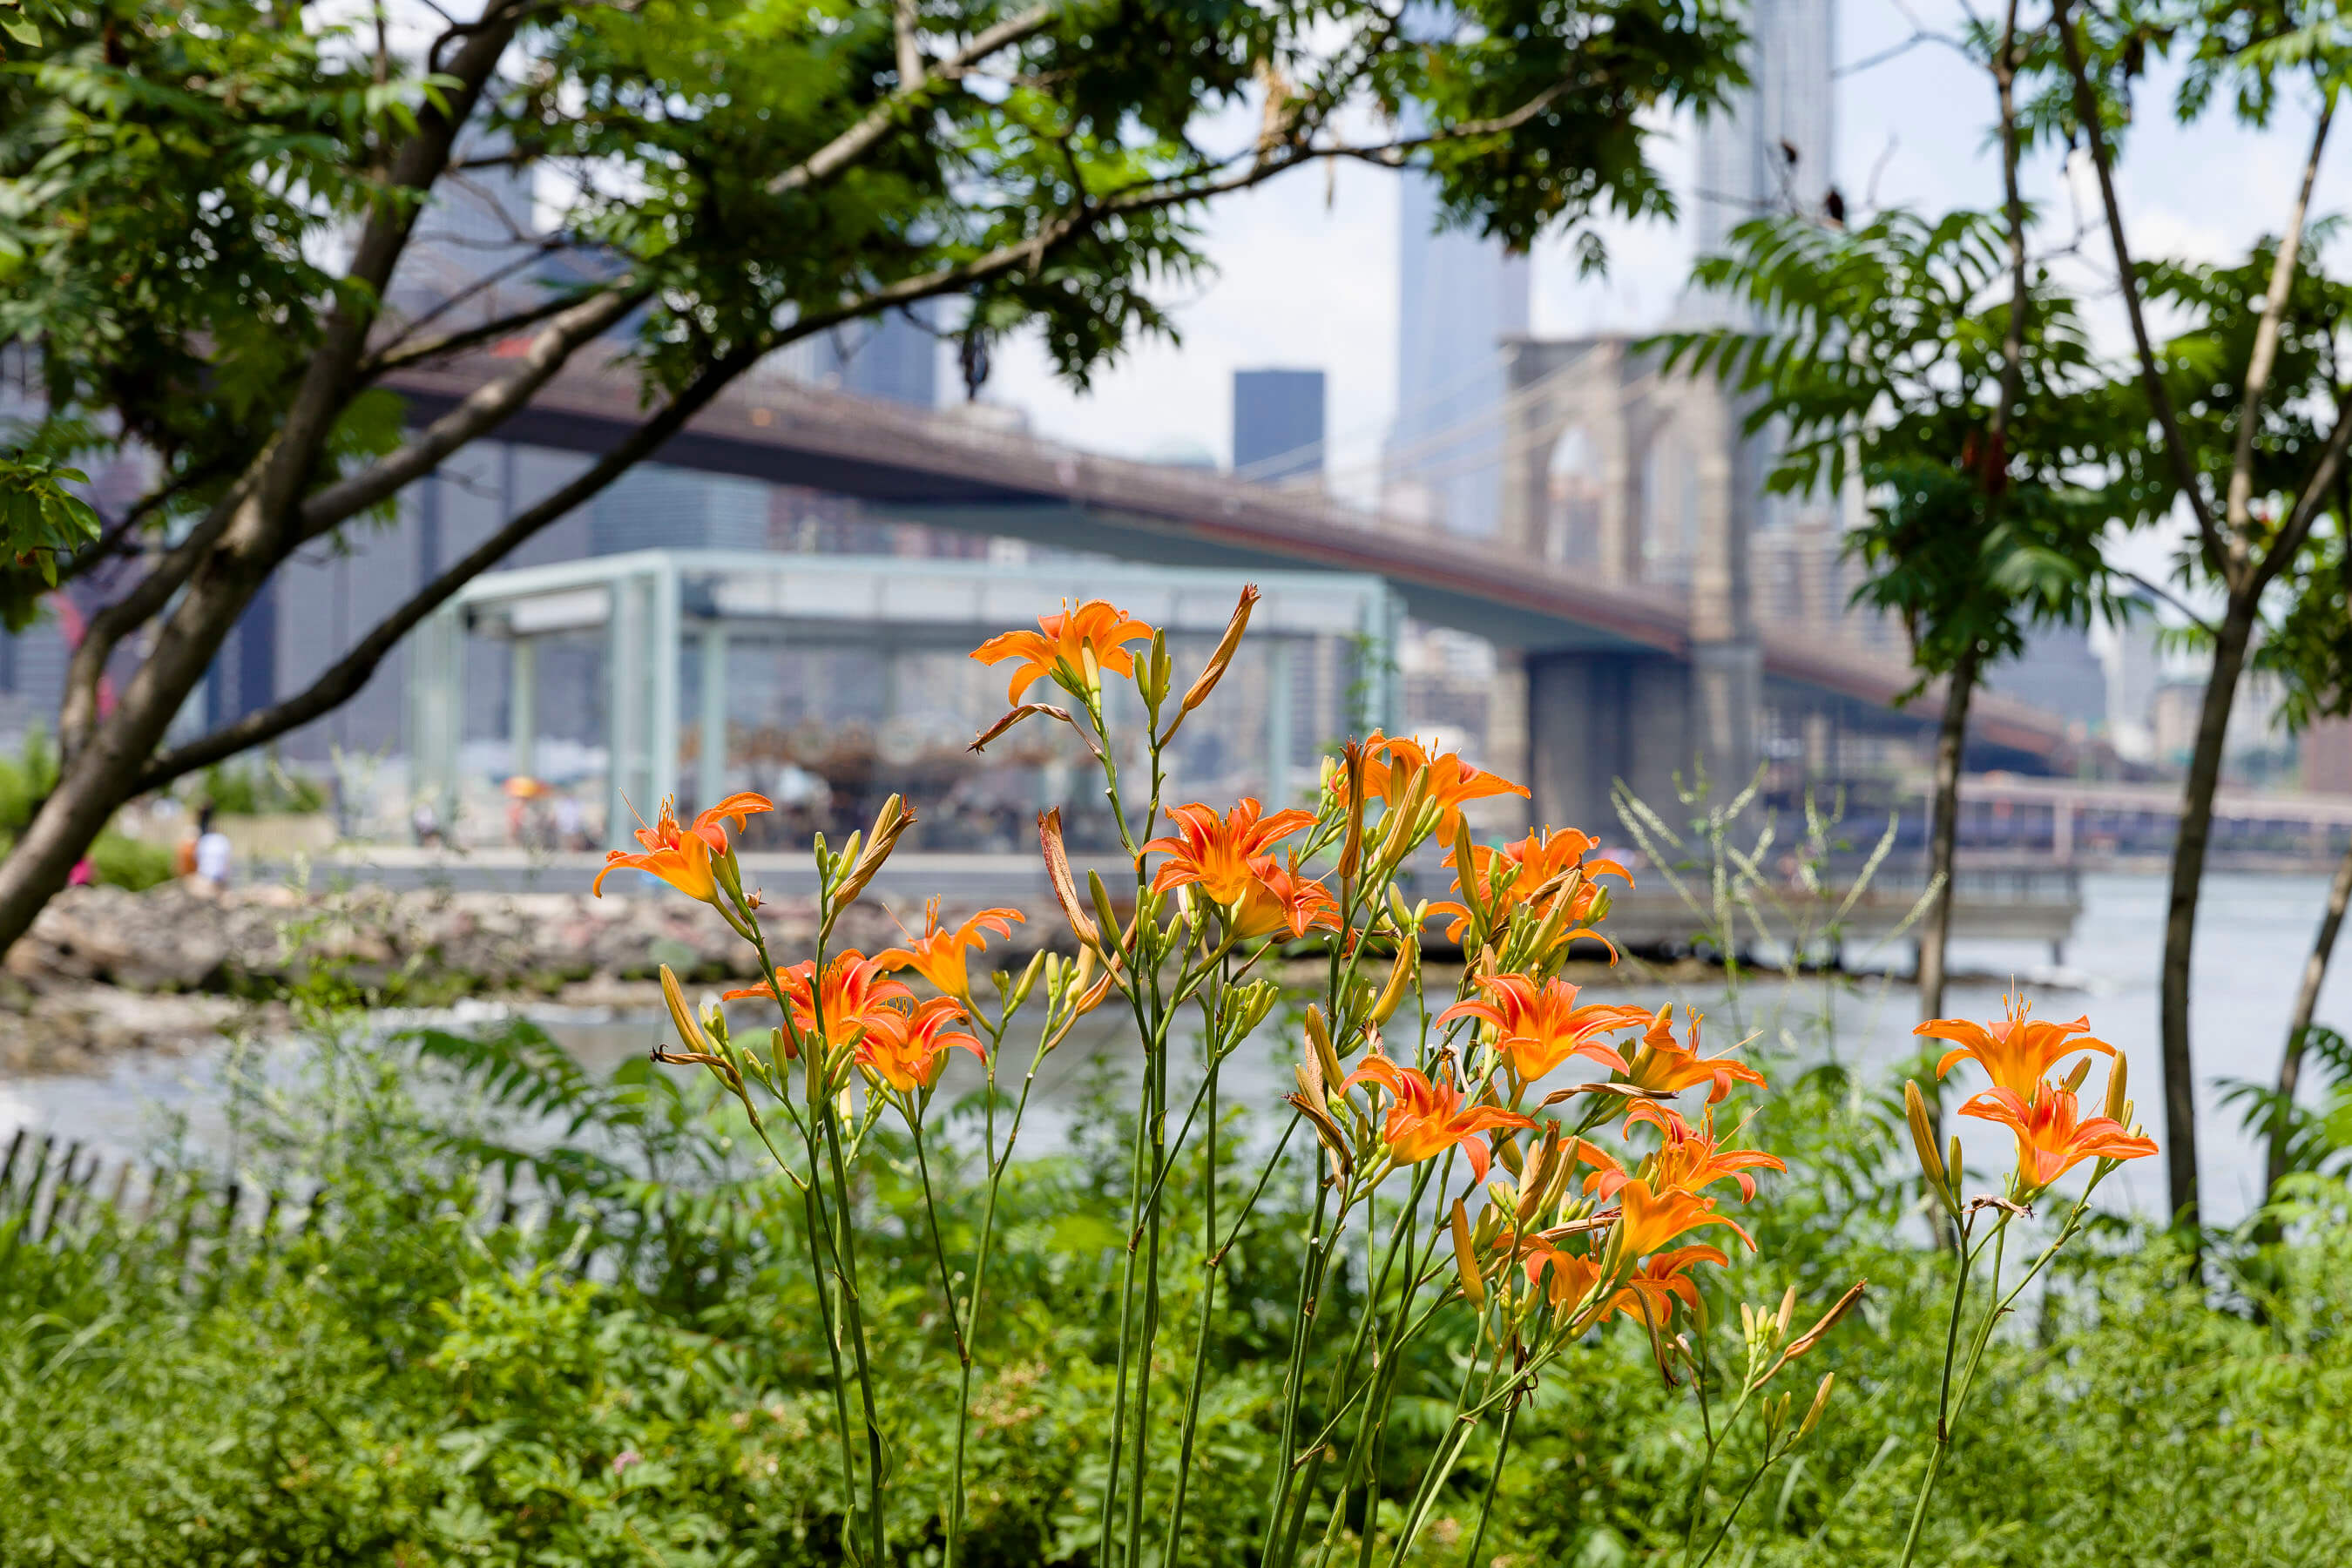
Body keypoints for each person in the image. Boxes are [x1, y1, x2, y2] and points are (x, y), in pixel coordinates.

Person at [193, 808, 232, 893]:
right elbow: (227, 862)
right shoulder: (223, 840)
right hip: (218, 877)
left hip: (205, 876)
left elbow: (196, 859)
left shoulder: (204, 840)